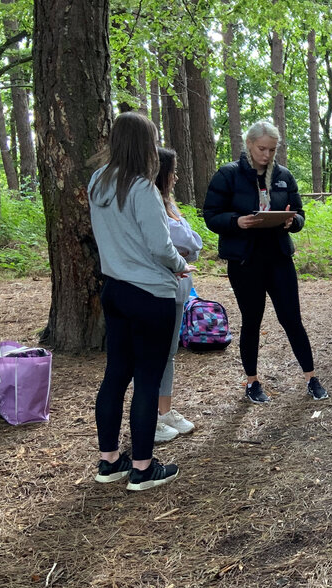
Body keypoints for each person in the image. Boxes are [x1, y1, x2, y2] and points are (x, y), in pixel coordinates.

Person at [90, 112, 191, 492]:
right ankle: (144, 468)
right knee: (147, 379)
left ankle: (110, 460)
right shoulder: (142, 189)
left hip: (114, 289)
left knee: (115, 375)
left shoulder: (99, 182)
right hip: (150, 294)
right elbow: (161, 246)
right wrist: (181, 265)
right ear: (146, 145)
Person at [203, 120, 328, 403]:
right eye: (262, 149)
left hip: (279, 258)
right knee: (251, 320)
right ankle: (252, 382)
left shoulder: (283, 175)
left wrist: (291, 221)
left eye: (272, 150)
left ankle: (311, 377)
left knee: (292, 319)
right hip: (245, 261)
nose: (267, 155)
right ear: (249, 144)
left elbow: (299, 215)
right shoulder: (228, 175)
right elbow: (211, 215)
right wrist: (237, 222)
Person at [153, 147, 202, 443]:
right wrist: (184, 247)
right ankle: (149, 417)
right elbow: (180, 240)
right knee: (155, 354)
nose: (177, 177)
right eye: (173, 171)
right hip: (160, 288)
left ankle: (165, 412)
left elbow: (193, 243)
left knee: (169, 354)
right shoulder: (152, 204)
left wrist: (186, 246)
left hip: (179, 287)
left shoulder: (171, 205)